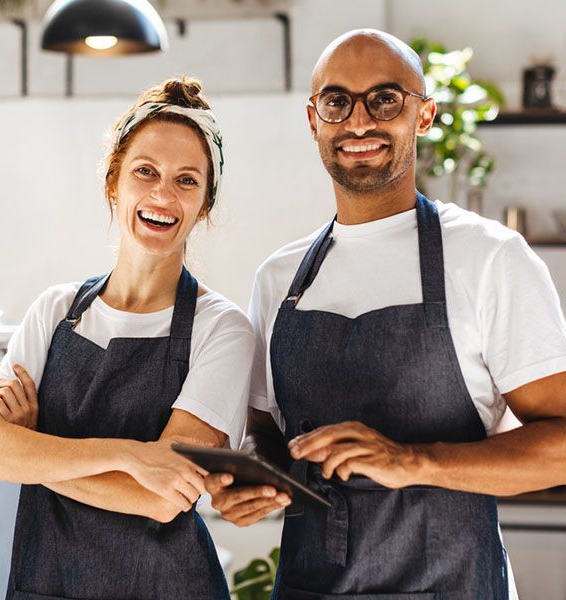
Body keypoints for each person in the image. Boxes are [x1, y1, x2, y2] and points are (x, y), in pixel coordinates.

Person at [205, 29, 566, 599]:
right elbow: (266, 435)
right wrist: (249, 482)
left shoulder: (489, 257)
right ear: (313, 120)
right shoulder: (281, 279)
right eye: (336, 101)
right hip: (309, 587)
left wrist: (415, 460)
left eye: (385, 99)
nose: (358, 122)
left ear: (424, 116)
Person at [0, 76, 254, 600]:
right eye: (145, 171)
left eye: (187, 180)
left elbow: (163, 497)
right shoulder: (55, 311)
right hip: (46, 584)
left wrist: (35, 453)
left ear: (205, 204)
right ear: (113, 182)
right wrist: (131, 455)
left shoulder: (222, 329)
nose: (163, 195)